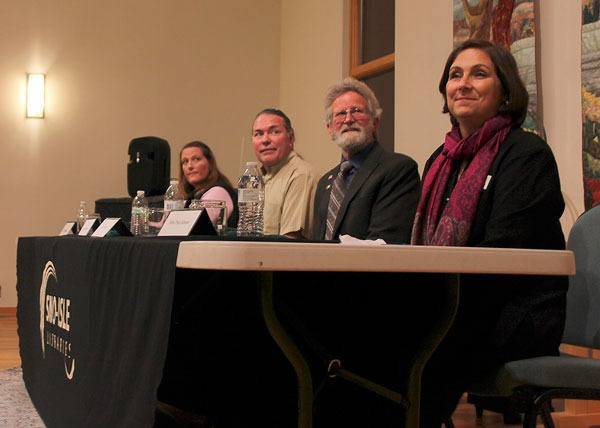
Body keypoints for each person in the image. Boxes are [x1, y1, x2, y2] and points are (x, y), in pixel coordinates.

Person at [412, 39, 568, 426]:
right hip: (461, 305)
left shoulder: (526, 155)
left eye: (478, 74)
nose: (463, 84)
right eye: (454, 75)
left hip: (516, 314)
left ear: (504, 92)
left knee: (408, 342)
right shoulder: (439, 160)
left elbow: (504, 253)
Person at [312, 77, 420, 243]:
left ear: (375, 122)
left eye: (356, 110)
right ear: (330, 128)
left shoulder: (398, 169)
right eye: (341, 113)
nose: (348, 119)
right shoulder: (325, 183)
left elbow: (386, 242)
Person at [252, 108, 317, 239]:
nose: (265, 140)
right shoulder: (256, 178)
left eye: (274, 132)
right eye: (258, 134)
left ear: (291, 138)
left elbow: (290, 243)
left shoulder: (300, 175)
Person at [179, 140, 238, 228]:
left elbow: (192, 226)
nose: (189, 166)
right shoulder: (192, 195)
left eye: (196, 159)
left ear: (210, 163)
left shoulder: (218, 191)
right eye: (185, 161)